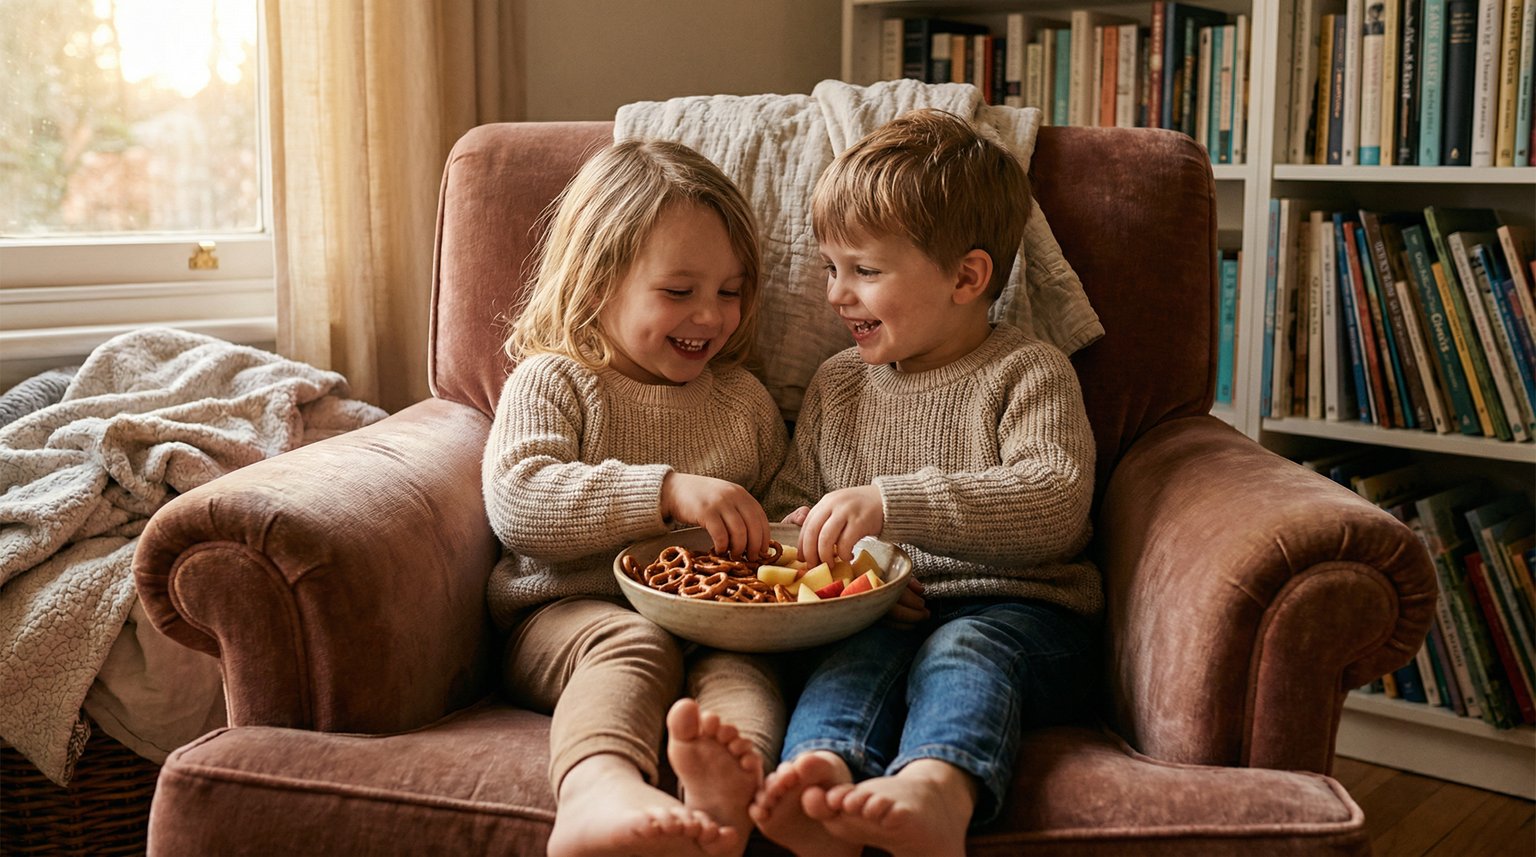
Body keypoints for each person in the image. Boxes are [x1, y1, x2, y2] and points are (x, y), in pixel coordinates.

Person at [748, 108, 1102, 857]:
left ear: (967, 277)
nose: (838, 294)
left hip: (1024, 618)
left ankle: (937, 789)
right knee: (850, 658)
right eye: (830, 269)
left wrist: (891, 504)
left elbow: (1055, 504)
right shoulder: (836, 384)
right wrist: (833, 555)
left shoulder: (1028, 371)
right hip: (881, 614)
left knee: (963, 648)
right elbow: (789, 509)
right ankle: (821, 778)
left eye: (865, 271)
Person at [483, 138, 789, 857]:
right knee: (634, 641)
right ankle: (596, 789)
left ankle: (727, 796)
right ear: (596, 284)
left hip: (718, 624)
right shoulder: (555, 381)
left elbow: (781, 518)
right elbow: (518, 498)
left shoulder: (745, 404)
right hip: (568, 617)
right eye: (679, 291)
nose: (710, 316)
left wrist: (832, 565)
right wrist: (666, 490)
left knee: (750, 672)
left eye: (730, 290)